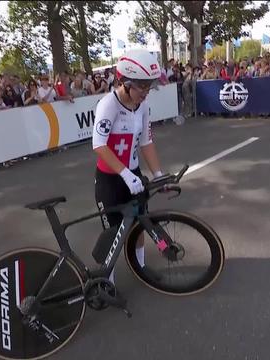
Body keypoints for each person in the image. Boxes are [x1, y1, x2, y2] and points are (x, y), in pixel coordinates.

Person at [92, 49, 164, 285]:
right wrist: (123, 173)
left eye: (149, 86)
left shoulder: (142, 106)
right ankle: (108, 282)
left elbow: (146, 142)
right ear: (125, 82)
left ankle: (140, 267)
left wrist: (158, 174)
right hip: (110, 179)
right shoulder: (107, 105)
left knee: (140, 224)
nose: (146, 92)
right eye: (142, 87)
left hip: (132, 174)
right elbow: (99, 145)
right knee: (113, 234)